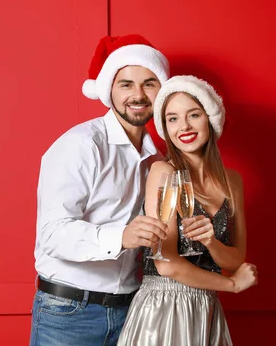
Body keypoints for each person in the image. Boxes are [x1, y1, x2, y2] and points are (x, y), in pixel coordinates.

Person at [29, 34, 171, 346]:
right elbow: (51, 234)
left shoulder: (158, 162)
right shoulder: (81, 145)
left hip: (134, 314)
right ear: (109, 89)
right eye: (126, 84)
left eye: (149, 83)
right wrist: (121, 236)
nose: (138, 94)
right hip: (68, 314)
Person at [118, 75, 259, 346]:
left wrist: (211, 242)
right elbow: (166, 263)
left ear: (209, 118)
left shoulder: (233, 181)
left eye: (193, 115)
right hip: (163, 308)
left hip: (206, 308)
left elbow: (234, 259)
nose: (183, 126)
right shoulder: (163, 172)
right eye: (172, 119)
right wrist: (232, 285)